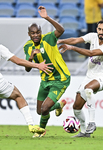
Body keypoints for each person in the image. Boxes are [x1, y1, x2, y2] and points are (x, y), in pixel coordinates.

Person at [58, 20, 103, 137]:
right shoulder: (92, 37)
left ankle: (92, 122)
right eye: (99, 29)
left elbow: (91, 53)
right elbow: (75, 40)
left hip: (102, 78)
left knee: (88, 89)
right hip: (89, 77)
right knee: (76, 107)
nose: (101, 32)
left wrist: (72, 48)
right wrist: (60, 41)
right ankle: (84, 132)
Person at [23, 6, 71, 138]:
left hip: (60, 79)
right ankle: (58, 105)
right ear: (29, 34)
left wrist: (47, 18)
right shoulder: (28, 47)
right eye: (33, 33)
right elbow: (27, 68)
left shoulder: (48, 39)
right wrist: (32, 59)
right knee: (40, 111)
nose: (36, 35)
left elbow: (61, 30)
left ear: (41, 32)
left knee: (44, 109)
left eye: (38, 32)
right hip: (45, 81)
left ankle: (41, 131)